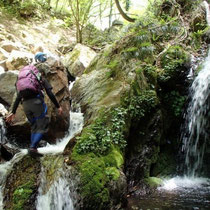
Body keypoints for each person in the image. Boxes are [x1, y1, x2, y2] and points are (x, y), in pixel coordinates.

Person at [5, 52, 62, 155]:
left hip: (25, 104)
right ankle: (33, 148)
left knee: (34, 126)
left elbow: (18, 96)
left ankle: (32, 148)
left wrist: (13, 112)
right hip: (36, 103)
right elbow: (50, 94)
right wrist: (58, 106)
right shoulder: (41, 78)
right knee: (42, 124)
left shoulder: (24, 80)